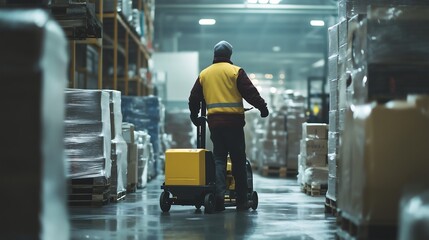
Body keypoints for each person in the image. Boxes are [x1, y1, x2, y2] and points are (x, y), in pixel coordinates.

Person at [188, 40, 269, 212]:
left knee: (219, 159)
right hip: (234, 123)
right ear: (229, 55)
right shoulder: (235, 72)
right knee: (238, 160)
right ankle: (241, 201)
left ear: (214, 54)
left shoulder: (205, 74)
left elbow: (194, 97)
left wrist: (194, 115)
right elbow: (250, 93)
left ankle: (218, 197)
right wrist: (263, 108)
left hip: (215, 124)